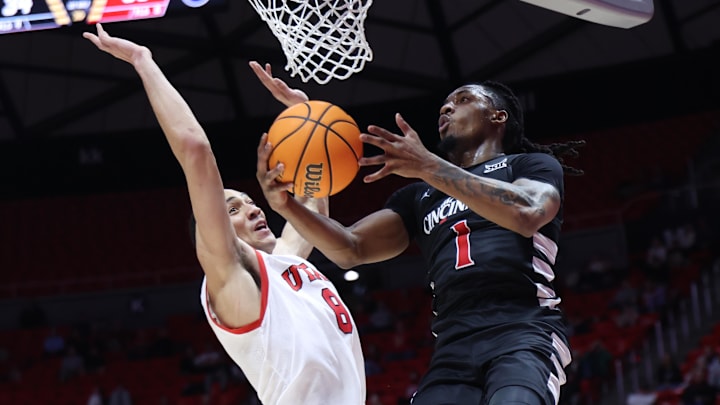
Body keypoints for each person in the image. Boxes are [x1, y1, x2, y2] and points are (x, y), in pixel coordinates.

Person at [256, 70, 585, 404]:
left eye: (463, 99)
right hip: (452, 348)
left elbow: (528, 212)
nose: (446, 109)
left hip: (523, 331)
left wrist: (429, 166)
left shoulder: (530, 165)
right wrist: (286, 206)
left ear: (498, 116)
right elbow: (349, 247)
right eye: (443, 105)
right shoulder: (419, 196)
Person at [83, 24, 365, 404]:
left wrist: (305, 115)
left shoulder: (283, 268)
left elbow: (315, 197)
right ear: (213, 230)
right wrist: (142, 60)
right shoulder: (231, 277)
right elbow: (195, 149)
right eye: (232, 208)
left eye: (250, 201)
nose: (251, 208)